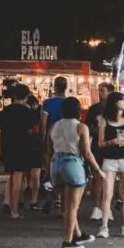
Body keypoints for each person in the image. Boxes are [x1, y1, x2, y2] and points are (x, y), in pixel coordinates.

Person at [49, 95, 103, 248]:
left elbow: (49, 147)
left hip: (56, 163)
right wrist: (98, 169)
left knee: (66, 205)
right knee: (73, 207)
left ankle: (78, 234)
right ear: (78, 110)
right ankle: (68, 241)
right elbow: (86, 152)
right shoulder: (81, 127)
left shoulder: (55, 126)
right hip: (72, 163)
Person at [98, 90, 124, 238]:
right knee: (107, 194)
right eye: (123, 100)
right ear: (115, 102)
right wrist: (112, 142)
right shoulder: (104, 120)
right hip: (110, 159)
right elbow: (101, 143)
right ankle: (104, 226)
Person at [0, 83, 41, 219]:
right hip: (22, 147)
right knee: (18, 178)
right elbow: (33, 130)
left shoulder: (6, 110)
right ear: (27, 96)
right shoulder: (28, 112)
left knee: (11, 176)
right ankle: (14, 210)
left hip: (8, 146)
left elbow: (1, 129)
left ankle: (10, 204)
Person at [40, 76, 70, 214]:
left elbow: (44, 122)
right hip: (67, 138)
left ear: (55, 87)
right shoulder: (70, 102)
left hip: (52, 138)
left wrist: (44, 136)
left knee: (49, 168)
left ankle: (49, 195)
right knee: (64, 167)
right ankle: (61, 200)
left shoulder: (48, 103)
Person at [87, 80, 115, 222]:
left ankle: (107, 207)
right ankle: (97, 207)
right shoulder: (93, 109)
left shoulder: (116, 108)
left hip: (111, 147)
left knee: (109, 178)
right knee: (97, 177)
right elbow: (87, 128)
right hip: (97, 147)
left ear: (110, 92)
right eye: (98, 90)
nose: (99, 93)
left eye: (102, 91)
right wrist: (97, 131)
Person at [26, 95, 43, 210]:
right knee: (36, 173)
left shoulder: (24, 116)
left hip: (25, 146)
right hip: (37, 146)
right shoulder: (38, 116)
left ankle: (21, 200)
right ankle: (34, 199)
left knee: (24, 173)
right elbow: (38, 130)